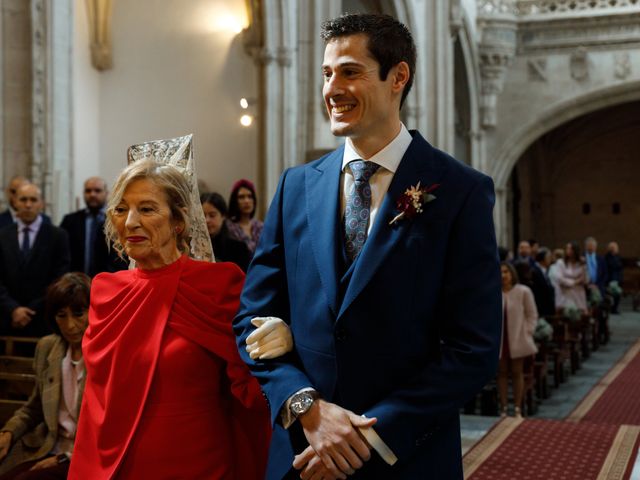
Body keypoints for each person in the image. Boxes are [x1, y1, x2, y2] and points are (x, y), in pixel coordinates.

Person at [234, 13, 501, 480]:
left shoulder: (458, 191)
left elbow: (472, 350)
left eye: (350, 72)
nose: (332, 89)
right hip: (302, 451)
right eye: (326, 73)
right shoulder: (296, 186)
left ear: (398, 77)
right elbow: (251, 317)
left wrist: (365, 437)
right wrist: (307, 407)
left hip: (404, 457)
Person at [68, 155, 271, 479]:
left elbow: (252, 391)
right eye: (121, 209)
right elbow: (95, 406)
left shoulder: (219, 284)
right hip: (123, 464)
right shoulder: (106, 291)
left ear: (179, 220)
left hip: (200, 462)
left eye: (147, 209)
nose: (130, 222)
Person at [0, 272, 91, 479]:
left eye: (78, 313)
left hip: (83, 455)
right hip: (46, 445)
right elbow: (34, 408)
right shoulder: (48, 347)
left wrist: (65, 457)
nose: (70, 325)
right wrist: (8, 433)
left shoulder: (106, 354)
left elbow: (111, 427)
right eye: (61, 315)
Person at [0, 184, 70, 337]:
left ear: (41, 204)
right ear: (15, 202)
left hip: (43, 319)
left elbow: (59, 278)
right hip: (7, 319)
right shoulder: (3, 236)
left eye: (33, 200)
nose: (28, 204)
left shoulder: (58, 236)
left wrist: (31, 310)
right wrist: (13, 309)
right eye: (23, 199)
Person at [60, 177, 127, 276]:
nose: (92, 194)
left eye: (97, 190)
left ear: (106, 193)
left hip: (109, 282)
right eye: (88, 191)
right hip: (77, 283)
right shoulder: (70, 221)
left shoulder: (117, 220)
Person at [498, 262, 538, 418]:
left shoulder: (523, 291)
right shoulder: (494, 292)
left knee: (517, 373)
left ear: (512, 274)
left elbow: (532, 314)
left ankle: (517, 407)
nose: (503, 275)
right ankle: (503, 407)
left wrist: (528, 332)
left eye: (506, 272)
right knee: (501, 373)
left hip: (517, 337)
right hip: (501, 339)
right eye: (500, 272)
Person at [201, 192, 251, 272]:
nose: (207, 220)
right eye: (202, 215)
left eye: (212, 215)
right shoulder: (194, 248)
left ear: (223, 216)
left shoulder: (239, 249)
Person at [226, 179, 263, 254]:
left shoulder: (260, 226)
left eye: (250, 196)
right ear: (235, 200)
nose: (246, 201)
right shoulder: (228, 227)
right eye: (241, 197)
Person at [554, 241, 589, 313]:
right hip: (564, 295)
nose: (568, 251)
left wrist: (584, 266)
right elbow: (560, 279)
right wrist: (576, 281)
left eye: (570, 249)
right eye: (567, 248)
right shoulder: (560, 262)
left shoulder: (581, 263)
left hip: (578, 295)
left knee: (580, 317)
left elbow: (585, 280)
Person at [584, 236, 607, 301]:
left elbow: (605, 274)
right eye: (589, 246)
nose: (591, 248)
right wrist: (587, 284)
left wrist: (597, 285)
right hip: (585, 287)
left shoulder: (601, 259)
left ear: (595, 247)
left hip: (598, 286)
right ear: (585, 247)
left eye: (592, 246)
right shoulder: (581, 258)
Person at [605, 241, 623, 314]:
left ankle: (614, 308)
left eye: (615, 248)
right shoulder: (607, 257)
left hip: (617, 279)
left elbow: (620, 267)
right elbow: (610, 267)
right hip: (610, 279)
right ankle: (611, 308)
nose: (614, 249)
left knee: (618, 294)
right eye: (612, 248)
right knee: (614, 293)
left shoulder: (618, 257)